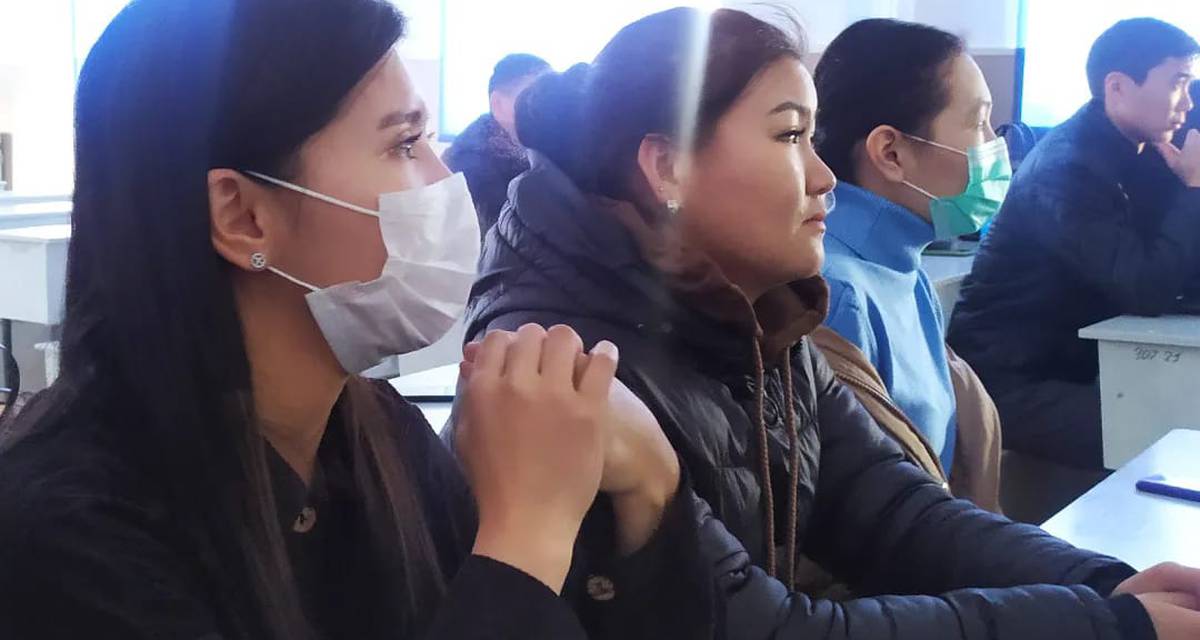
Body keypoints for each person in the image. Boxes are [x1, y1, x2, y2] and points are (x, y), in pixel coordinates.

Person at [465, 6, 1200, 639]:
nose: (824, 177)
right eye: (791, 137)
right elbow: (766, 625)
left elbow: (890, 507)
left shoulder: (754, 306)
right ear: (667, 168)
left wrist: (1102, 584)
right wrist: (1107, 623)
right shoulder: (568, 361)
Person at [0, 1, 689, 638]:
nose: (444, 179)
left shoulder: (381, 436)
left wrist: (651, 491)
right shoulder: (66, 535)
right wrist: (525, 535)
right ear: (243, 216)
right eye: (403, 145)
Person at [948, 18, 1200, 471]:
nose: (1188, 101)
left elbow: (1174, 262)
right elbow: (1146, 286)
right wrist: (1193, 189)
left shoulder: (1143, 150)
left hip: (1078, 362)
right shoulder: (1068, 169)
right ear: (1117, 87)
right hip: (1008, 381)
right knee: (1169, 426)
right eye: (1177, 83)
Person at [811, 19, 1007, 510]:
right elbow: (863, 511)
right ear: (891, 153)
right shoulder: (837, 292)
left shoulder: (904, 268)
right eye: (978, 122)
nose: (994, 143)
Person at [443, 53, 551, 234]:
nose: (548, 109)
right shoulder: (470, 171)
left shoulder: (538, 155)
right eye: (534, 98)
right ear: (498, 105)